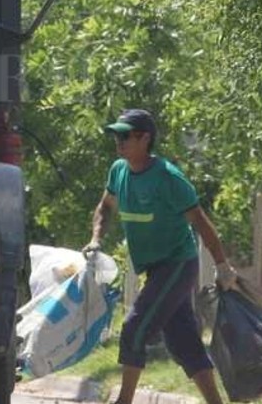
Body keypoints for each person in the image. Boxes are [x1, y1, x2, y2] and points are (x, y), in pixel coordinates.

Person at [83, 109, 238, 404]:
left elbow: (202, 223)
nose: (119, 141)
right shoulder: (118, 170)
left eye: (125, 135)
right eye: (116, 135)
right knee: (183, 343)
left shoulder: (168, 178)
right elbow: (104, 207)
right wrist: (95, 239)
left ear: (145, 138)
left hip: (178, 263)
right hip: (155, 269)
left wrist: (222, 265)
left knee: (134, 327)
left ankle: (123, 401)